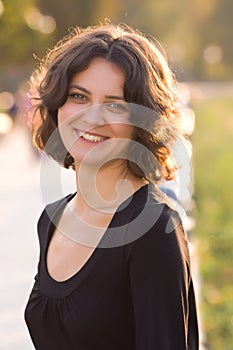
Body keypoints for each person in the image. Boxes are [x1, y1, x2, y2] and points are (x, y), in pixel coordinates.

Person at [24, 23, 199, 349]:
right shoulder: (52, 220)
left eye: (115, 104)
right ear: (57, 105)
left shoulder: (153, 231)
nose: (92, 118)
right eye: (79, 96)